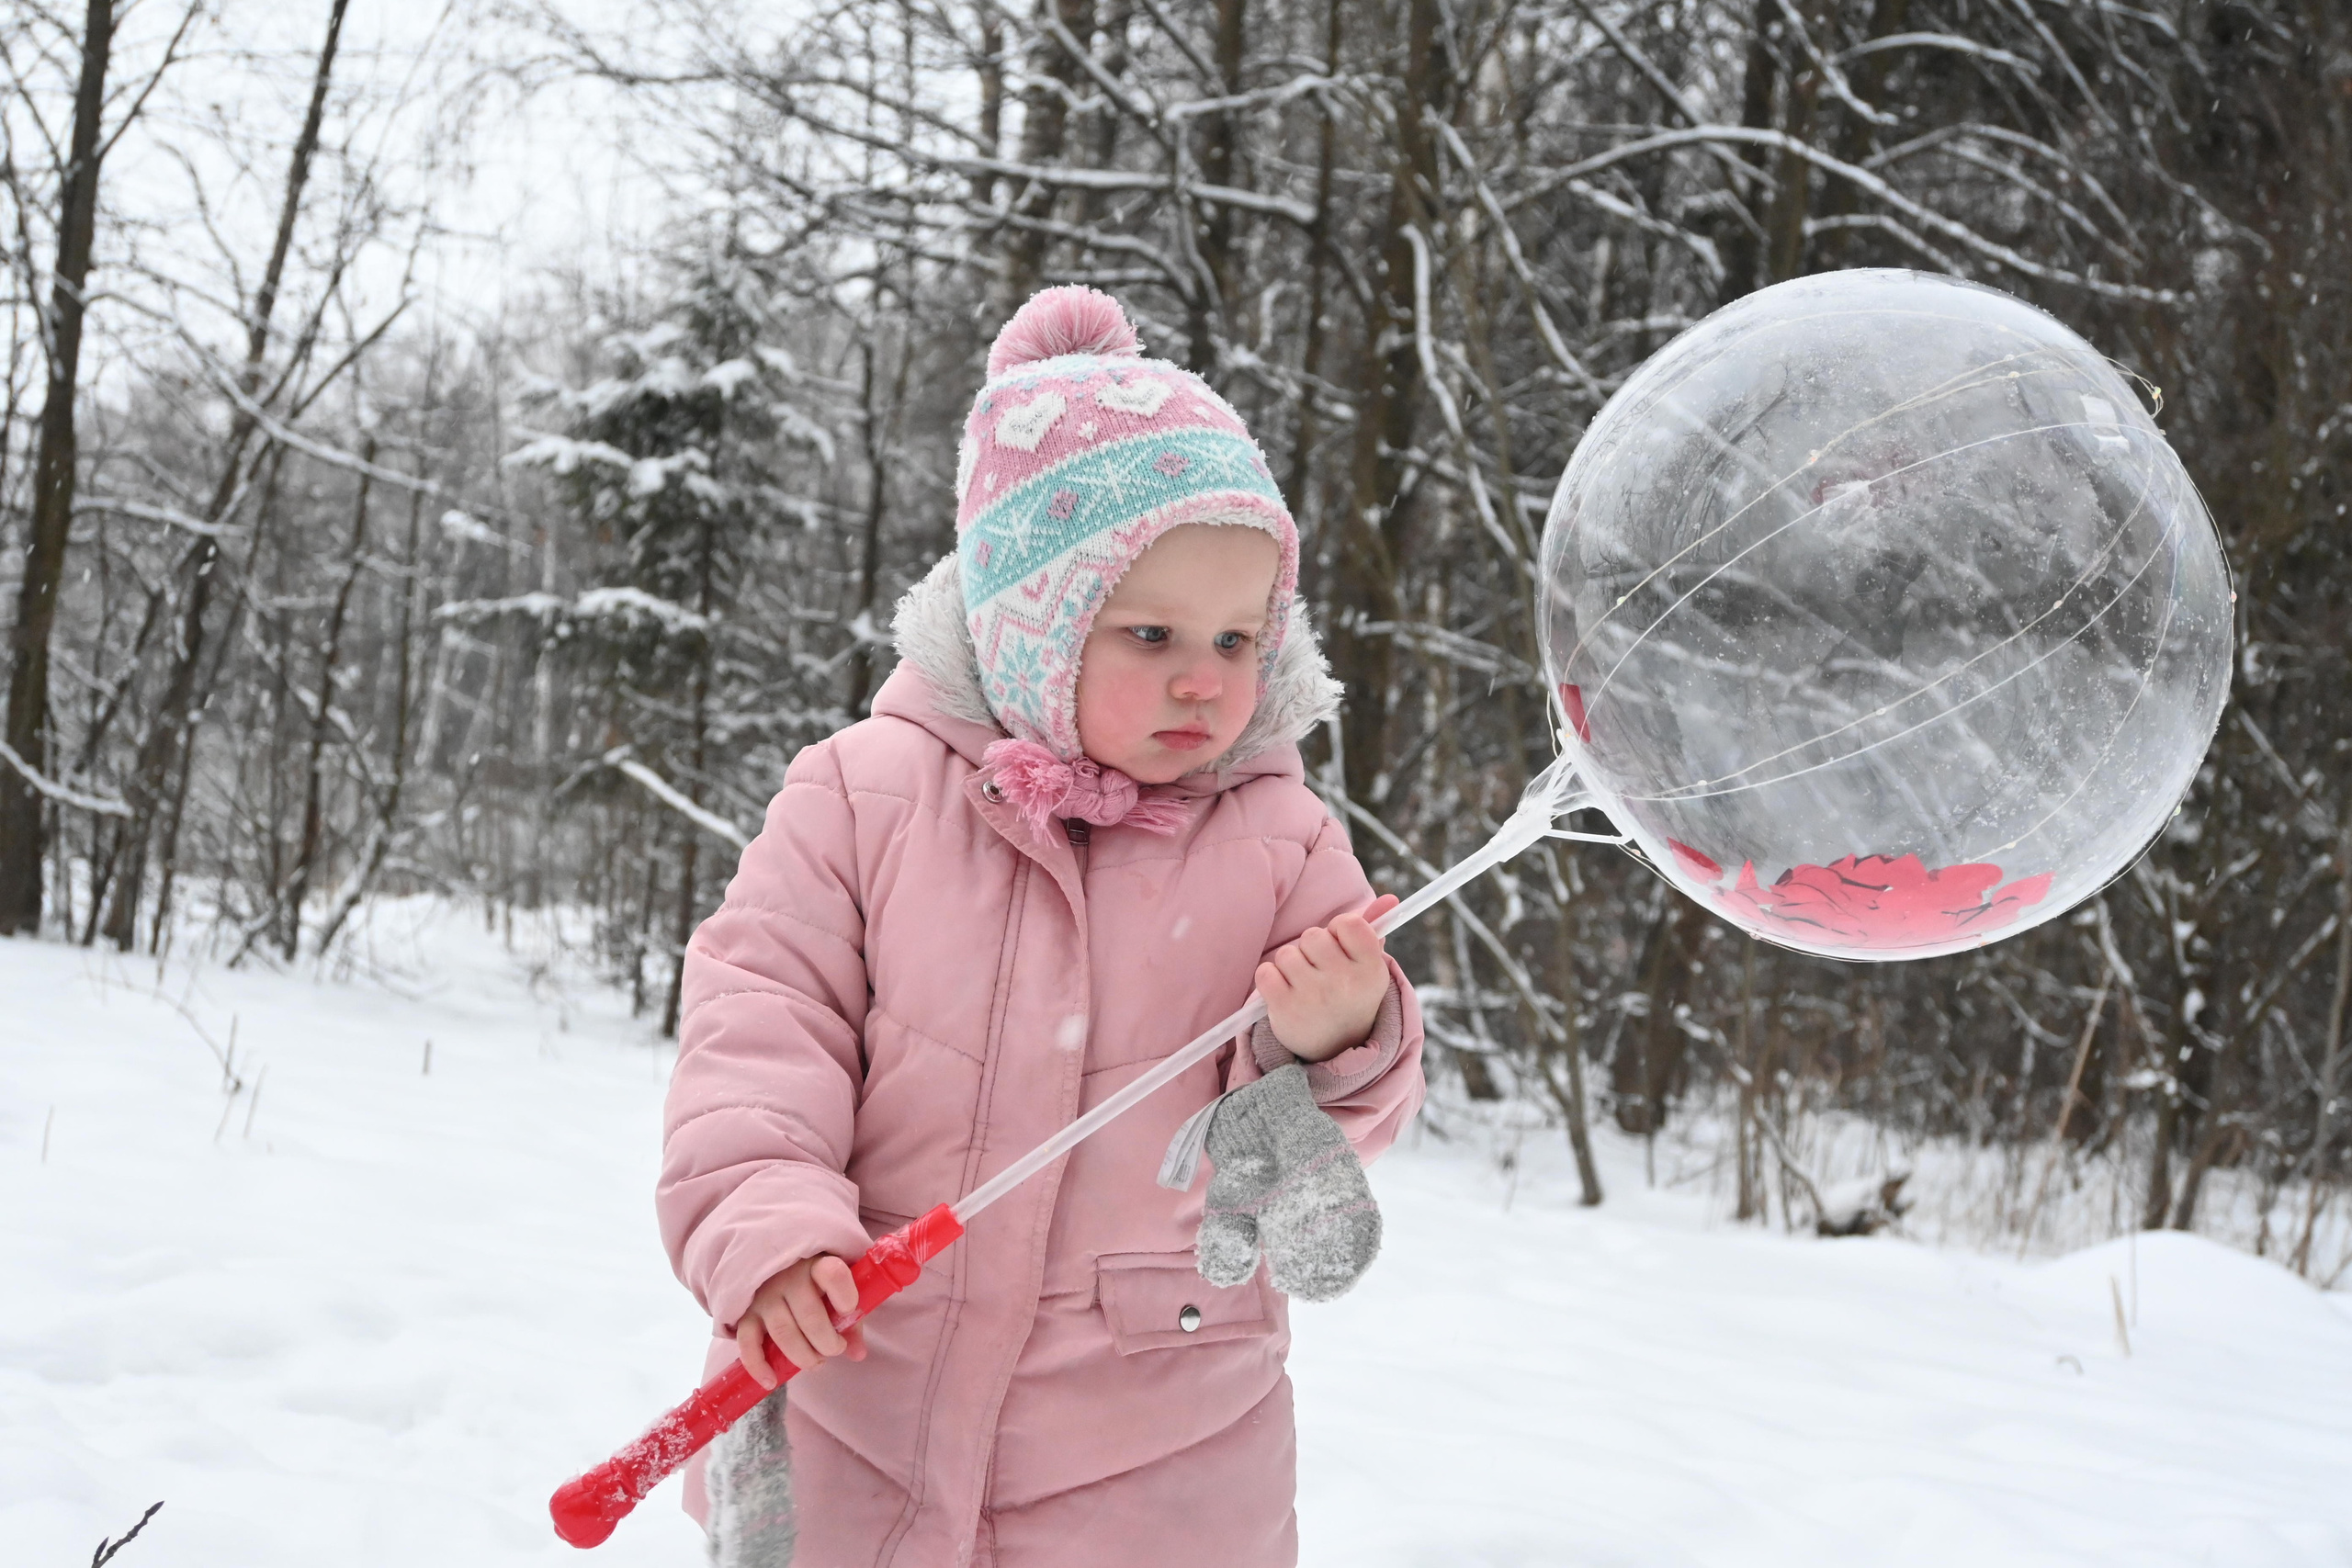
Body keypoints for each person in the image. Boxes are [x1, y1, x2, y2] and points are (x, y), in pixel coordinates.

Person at [658, 285, 1426, 1567]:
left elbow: (1308, 1148)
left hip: (1160, 1435)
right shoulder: (864, 795)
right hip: (864, 1379)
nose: (1206, 678)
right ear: (1032, 626)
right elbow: (759, 1032)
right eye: (1151, 633)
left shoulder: (1283, 842)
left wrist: (1342, 1037)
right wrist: (769, 1231)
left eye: (1239, 636)